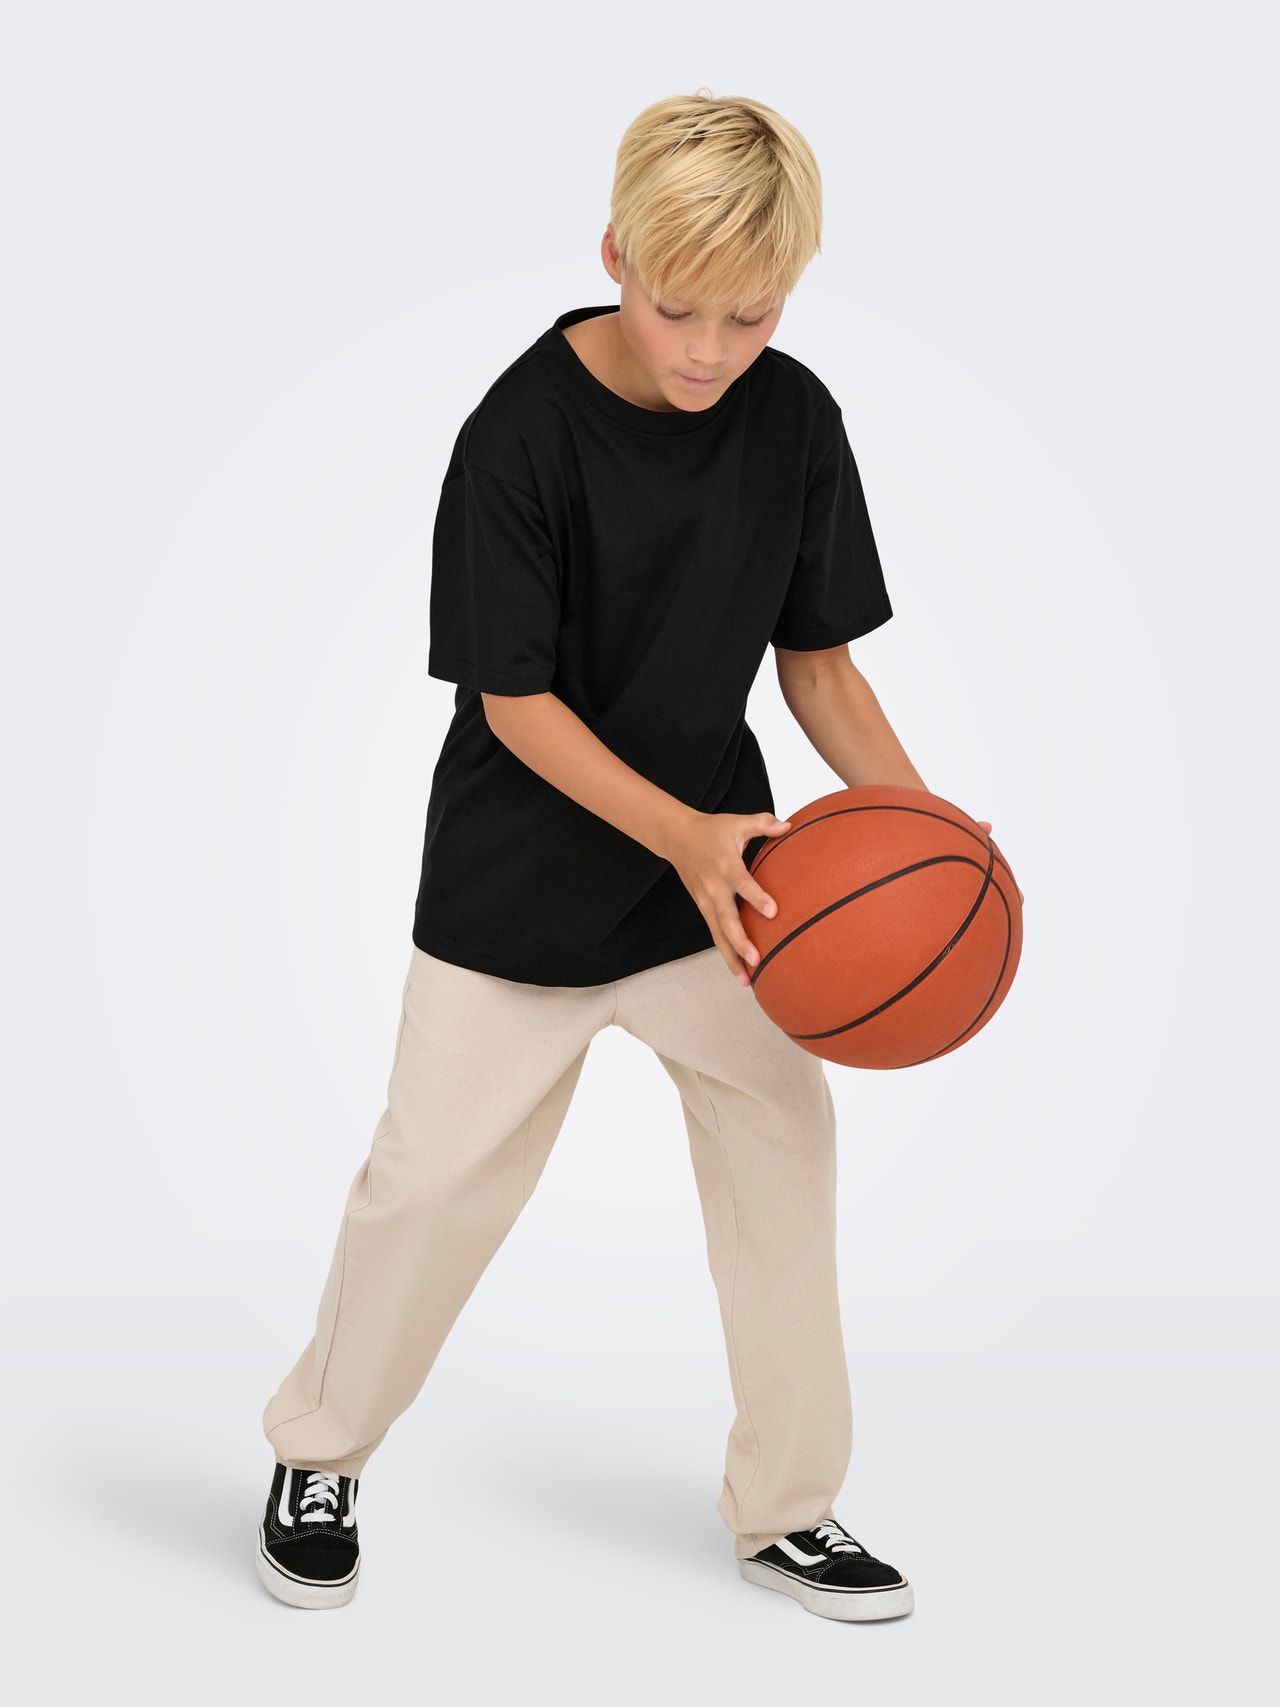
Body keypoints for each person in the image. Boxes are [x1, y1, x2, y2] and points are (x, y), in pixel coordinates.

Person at [255, 89, 966, 1622]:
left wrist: (929, 830)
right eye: (676, 308)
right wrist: (686, 834)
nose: (710, 350)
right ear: (614, 257)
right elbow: (513, 705)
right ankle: (320, 1451)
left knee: (786, 1164)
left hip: (726, 896)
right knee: (426, 1193)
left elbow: (820, 666)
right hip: (518, 896)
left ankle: (789, 1510)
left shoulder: (796, 420)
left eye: (751, 317)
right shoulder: (520, 435)